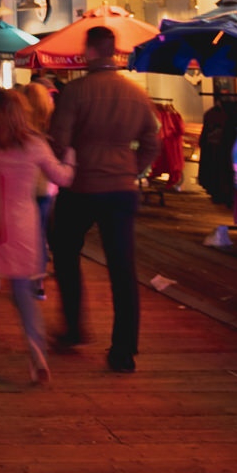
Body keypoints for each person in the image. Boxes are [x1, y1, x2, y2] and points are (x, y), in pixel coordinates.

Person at [47, 26, 160, 373]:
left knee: (64, 250)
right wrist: (130, 168)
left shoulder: (77, 92)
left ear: (90, 51)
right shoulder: (135, 94)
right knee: (122, 269)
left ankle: (74, 328)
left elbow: (59, 141)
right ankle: (123, 350)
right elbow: (151, 142)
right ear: (114, 52)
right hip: (121, 188)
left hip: (81, 187)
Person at [0, 88, 74, 381]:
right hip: (24, 225)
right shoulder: (35, 144)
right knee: (23, 291)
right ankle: (36, 352)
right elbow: (61, 177)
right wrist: (72, 157)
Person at [19, 79, 58, 299]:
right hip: (46, 186)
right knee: (40, 233)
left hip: (22, 185)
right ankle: (38, 281)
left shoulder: (18, 126)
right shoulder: (52, 125)